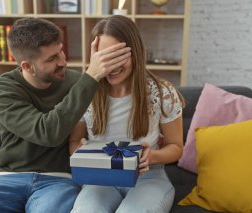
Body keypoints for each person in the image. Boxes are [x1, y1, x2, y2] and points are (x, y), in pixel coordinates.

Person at [0, 18, 131, 213]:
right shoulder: (1, 90)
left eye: (61, 51)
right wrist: (90, 77)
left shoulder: (78, 83)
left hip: (58, 180)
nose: (63, 62)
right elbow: (47, 133)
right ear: (27, 66)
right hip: (7, 178)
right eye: (52, 59)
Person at [69, 15, 185, 213]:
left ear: (135, 52)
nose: (111, 66)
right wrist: (81, 152)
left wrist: (153, 156)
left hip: (148, 178)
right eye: (104, 57)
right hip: (101, 179)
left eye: (118, 55)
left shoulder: (161, 92)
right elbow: (73, 144)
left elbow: (176, 147)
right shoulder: (86, 93)